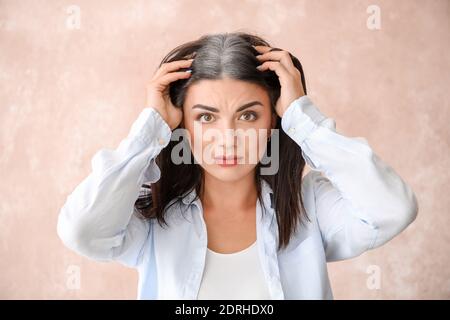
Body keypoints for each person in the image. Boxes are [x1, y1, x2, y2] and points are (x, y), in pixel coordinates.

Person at [56, 32, 418, 299]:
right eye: (206, 117)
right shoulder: (152, 216)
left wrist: (302, 118)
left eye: (247, 115)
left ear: (275, 121)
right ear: (180, 124)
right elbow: (82, 231)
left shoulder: (311, 208)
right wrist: (150, 128)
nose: (227, 138)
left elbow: (392, 210)